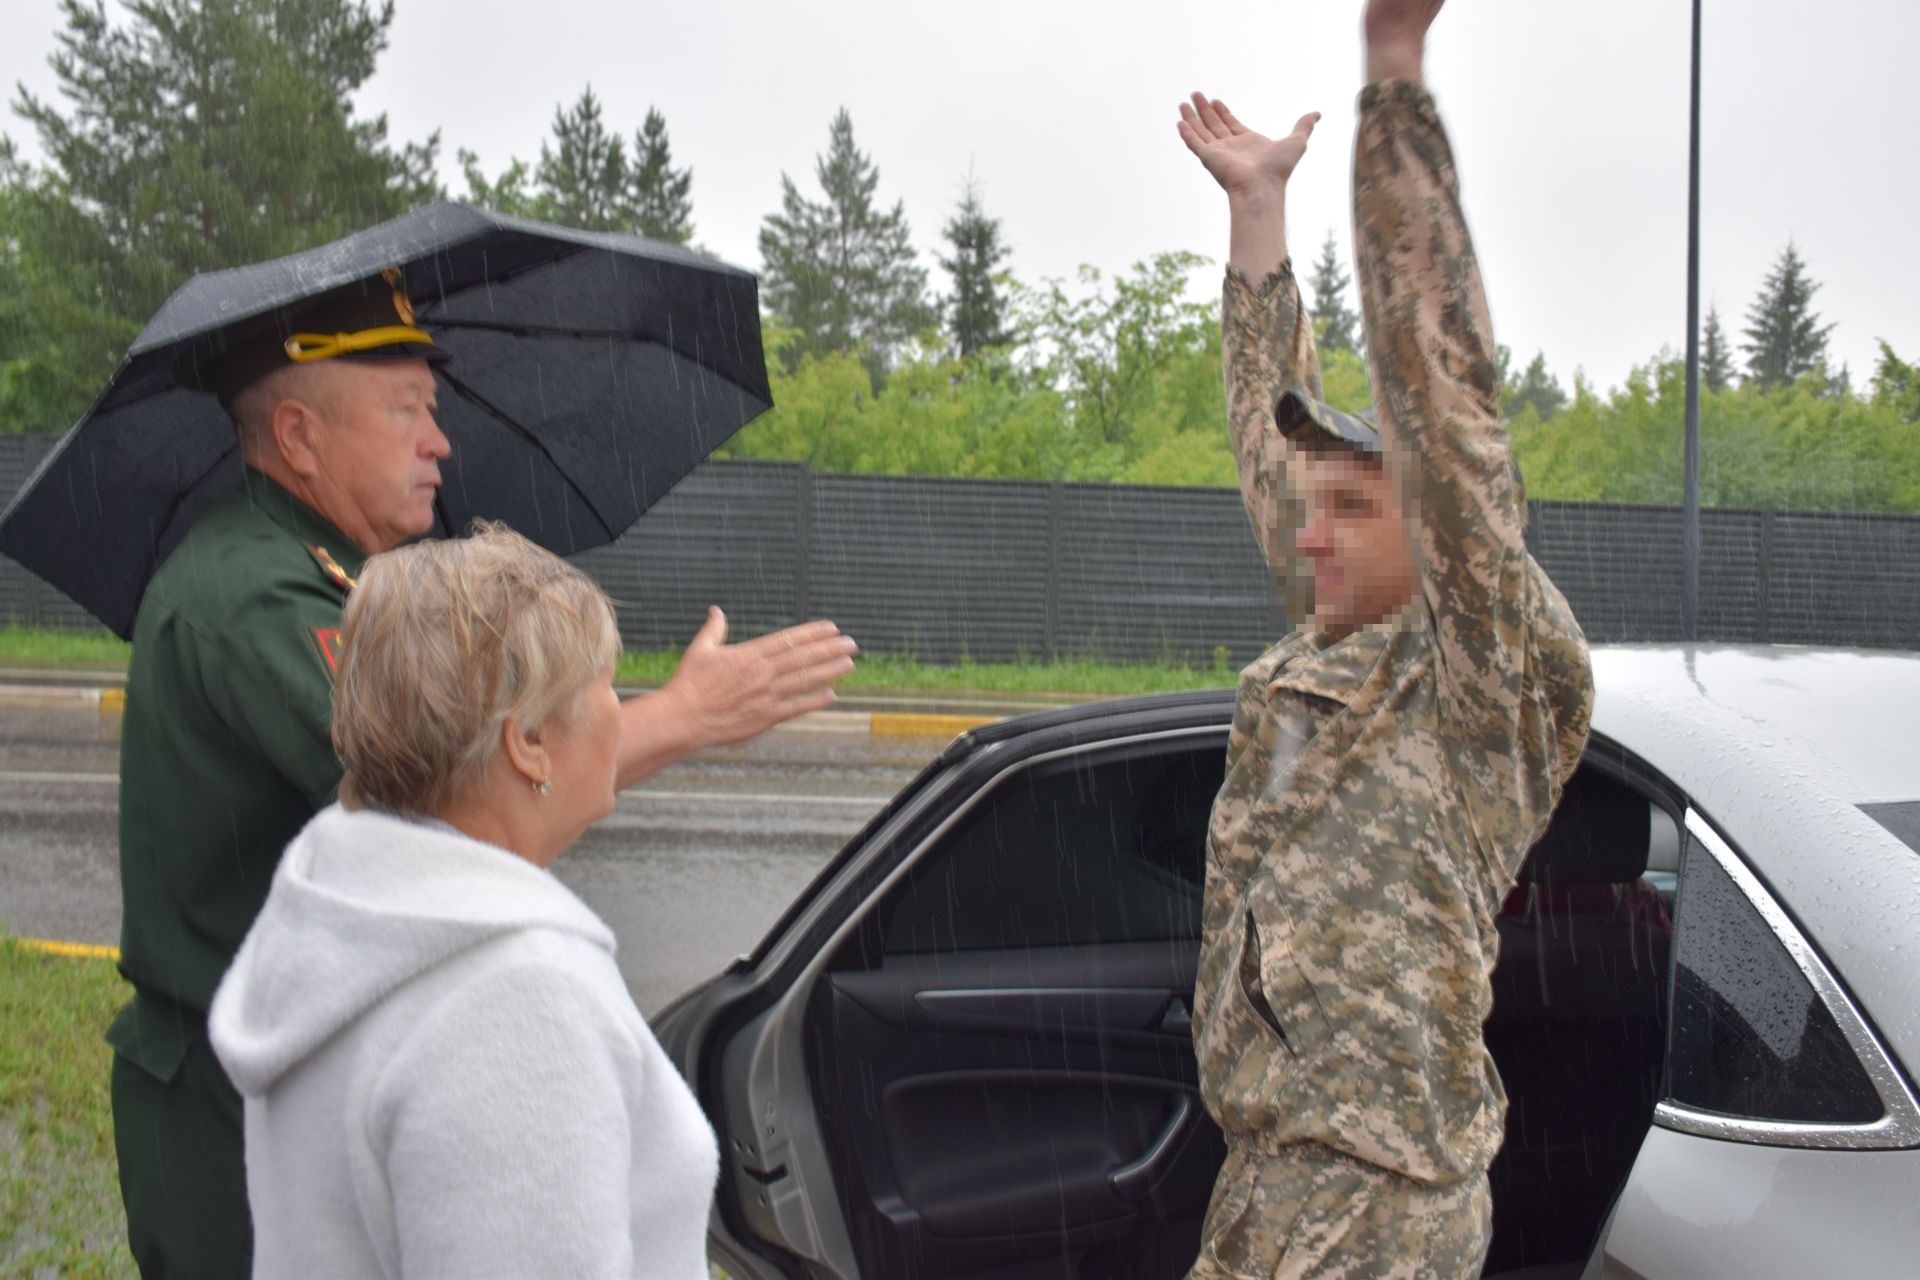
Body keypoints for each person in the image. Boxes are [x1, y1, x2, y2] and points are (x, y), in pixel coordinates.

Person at [109, 272, 857, 1278]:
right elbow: (445, 784)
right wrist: (685, 714)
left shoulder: (320, 567)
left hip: (295, 1070)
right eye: (407, 411)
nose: (440, 442)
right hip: (225, 1111)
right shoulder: (257, 592)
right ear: (298, 436)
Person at [1174, 1, 1595, 1275]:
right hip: (1263, 1185)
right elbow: (1272, 440)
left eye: (1353, 509)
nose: (1310, 534)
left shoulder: (1476, 674)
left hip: (1383, 1212)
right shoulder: (1343, 641)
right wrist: (1258, 214)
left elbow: (1439, 391)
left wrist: (1394, 81)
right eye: (1317, 511)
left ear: (1441, 532)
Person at [206, 524, 715, 1278]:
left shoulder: (342, 921)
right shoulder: (516, 1000)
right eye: (605, 683)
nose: (620, 708)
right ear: (529, 740)